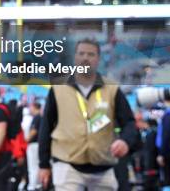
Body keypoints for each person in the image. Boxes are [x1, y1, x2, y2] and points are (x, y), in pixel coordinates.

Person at [38, 38, 138, 191]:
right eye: (81, 53)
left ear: (98, 59)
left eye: (91, 54)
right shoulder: (59, 88)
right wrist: (43, 164)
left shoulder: (112, 89)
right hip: (67, 166)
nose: (85, 58)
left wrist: (125, 141)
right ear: (75, 58)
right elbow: (46, 128)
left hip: (103, 167)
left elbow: (129, 123)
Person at [26, 101, 42, 191]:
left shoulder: (37, 117)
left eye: (31, 107)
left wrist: (26, 140)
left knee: (33, 167)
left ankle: (33, 186)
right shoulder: (40, 116)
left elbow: (33, 131)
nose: (30, 109)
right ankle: (38, 185)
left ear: (34, 107)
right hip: (38, 144)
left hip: (34, 145)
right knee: (36, 166)